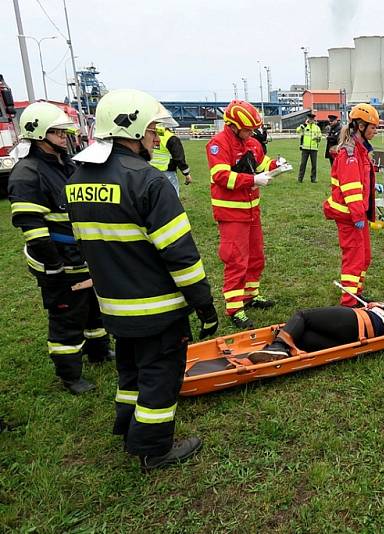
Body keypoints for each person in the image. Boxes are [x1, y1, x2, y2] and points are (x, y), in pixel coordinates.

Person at [66, 89, 218, 470]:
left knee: (130, 368)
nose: (155, 137)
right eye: (151, 129)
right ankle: (153, 448)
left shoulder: (78, 178)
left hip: (114, 304)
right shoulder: (149, 182)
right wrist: (203, 303)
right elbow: (180, 255)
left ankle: (127, 425)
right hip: (157, 307)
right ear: (131, 129)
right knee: (160, 375)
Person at [8, 102, 112, 395]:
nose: (65, 136)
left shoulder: (67, 164)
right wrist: (55, 267)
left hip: (83, 257)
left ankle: (99, 351)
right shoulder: (27, 174)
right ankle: (70, 375)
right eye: (57, 132)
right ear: (39, 134)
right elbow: (36, 233)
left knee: (94, 309)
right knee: (67, 317)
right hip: (58, 263)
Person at [206, 100, 278, 328]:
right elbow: (221, 176)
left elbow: (262, 162)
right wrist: (253, 179)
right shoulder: (218, 144)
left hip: (250, 210)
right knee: (236, 259)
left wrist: (277, 165)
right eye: (247, 129)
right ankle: (235, 307)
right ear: (233, 125)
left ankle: (250, 295)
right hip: (230, 213)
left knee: (256, 256)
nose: (250, 134)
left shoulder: (252, 143)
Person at [251, 290, 384, 361]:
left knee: (303, 316)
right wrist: (373, 303)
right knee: (304, 337)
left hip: (355, 322)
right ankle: (279, 350)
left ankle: (279, 346)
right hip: (352, 331)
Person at [323, 103, 379, 307]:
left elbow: (361, 183)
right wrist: (357, 216)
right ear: (360, 126)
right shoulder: (351, 153)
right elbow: (351, 189)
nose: (375, 131)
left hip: (357, 214)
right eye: (372, 127)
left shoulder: (360, 150)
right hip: (350, 216)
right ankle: (349, 302)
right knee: (354, 259)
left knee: (364, 257)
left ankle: (356, 292)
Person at [149, 126, 192, 194]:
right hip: (167, 172)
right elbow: (179, 158)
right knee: (172, 196)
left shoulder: (149, 134)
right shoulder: (171, 138)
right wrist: (186, 174)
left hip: (149, 171)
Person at [296, 113, 322, 183]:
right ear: (307, 119)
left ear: (313, 119)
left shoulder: (317, 127)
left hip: (314, 149)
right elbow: (297, 131)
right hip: (305, 148)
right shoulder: (304, 126)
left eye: (312, 119)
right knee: (303, 164)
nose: (311, 120)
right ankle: (300, 178)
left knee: (314, 165)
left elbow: (320, 136)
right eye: (309, 119)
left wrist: (318, 138)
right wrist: (304, 125)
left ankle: (313, 179)